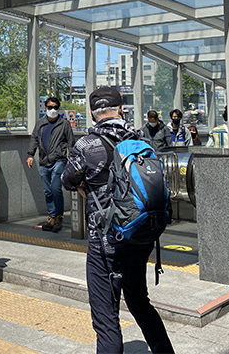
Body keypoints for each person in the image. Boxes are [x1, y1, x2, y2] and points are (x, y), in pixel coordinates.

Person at [62, 87, 174, 354]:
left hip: (105, 243)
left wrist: (87, 187)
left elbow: (68, 179)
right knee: (139, 302)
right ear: (122, 109)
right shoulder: (141, 142)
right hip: (140, 235)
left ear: (92, 114)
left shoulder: (87, 145)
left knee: (106, 316)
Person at [26, 96, 75, 232]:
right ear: (45, 108)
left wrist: (72, 156)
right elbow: (34, 139)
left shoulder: (64, 124)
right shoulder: (40, 123)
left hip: (59, 160)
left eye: (55, 107)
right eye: (50, 107)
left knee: (55, 188)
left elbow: (71, 142)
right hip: (43, 161)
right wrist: (30, 155)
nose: (52, 110)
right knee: (47, 191)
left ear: (58, 108)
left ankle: (58, 217)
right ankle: (51, 217)